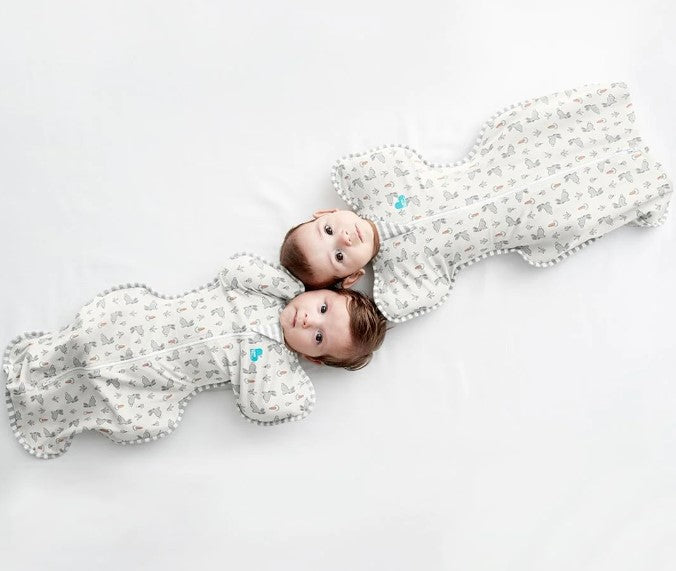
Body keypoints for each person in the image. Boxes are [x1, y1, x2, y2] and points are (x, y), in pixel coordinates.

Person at [280, 81, 673, 322]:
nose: (344, 238)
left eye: (328, 229)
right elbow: (403, 301)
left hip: (499, 163)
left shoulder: (378, 187)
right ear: (352, 276)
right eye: (338, 256)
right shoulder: (404, 273)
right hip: (526, 220)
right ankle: (642, 185)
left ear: (327, 211)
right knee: (573, 214)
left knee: (539, 140)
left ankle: (610, 122)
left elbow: (365, 168)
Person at [2, 253, 387, 458]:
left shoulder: (274, 364)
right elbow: (236, 269)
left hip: (160, 376)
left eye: (318, 337)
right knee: (93, 339)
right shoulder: (265, 293)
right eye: (322, 307)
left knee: (118, 400)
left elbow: (271, 405)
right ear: (320, 289)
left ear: (315, 359)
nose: (308, 321)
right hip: (146, 325)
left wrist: (290, 367)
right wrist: (292, 287)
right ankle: (42, 363)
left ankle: (47, 410)